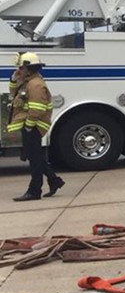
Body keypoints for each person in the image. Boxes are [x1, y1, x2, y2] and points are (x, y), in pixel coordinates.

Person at [10, 52, 65, 201]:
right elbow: (14, 94)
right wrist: (13, 80)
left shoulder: (35, 85)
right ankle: (54, 180)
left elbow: (37, 109)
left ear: (28, 69)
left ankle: (34, 191)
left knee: (34, 160)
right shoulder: (28, 81)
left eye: (20, 68)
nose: (18, 70)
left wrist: (29, 126)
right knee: (35, 157)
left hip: (34, 126)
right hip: (30, 125)